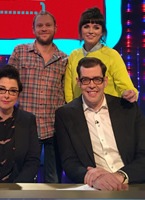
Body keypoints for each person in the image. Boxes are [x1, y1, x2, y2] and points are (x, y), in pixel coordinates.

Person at [55, 57, 145, 190]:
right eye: (86, 80)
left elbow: (143, 154)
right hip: (94, 187)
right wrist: (93, 178)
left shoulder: (128, 109)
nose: (92, 85)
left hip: (131, 183)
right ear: (78, 82)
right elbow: (70, 162)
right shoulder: (65, 114)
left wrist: (119, 176)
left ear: (105, 81)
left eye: (97, 79)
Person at [8, 11, 67, 183]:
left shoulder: (64, 59)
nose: (44, 28)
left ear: (55, 28)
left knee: (53, 182)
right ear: (33, 29)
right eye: (39, 25)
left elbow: (65, 93)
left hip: (53, 129)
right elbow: (8, 84)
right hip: (24, 128)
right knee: (21, 182)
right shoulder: (20, 51)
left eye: (48, 25)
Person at [64, 7, 137, 104]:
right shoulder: (74, 55)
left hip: (107, 113)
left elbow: (126, 87)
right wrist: (73, 111)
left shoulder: (112, 55)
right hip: (79, 114)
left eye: (96, 27)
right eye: (86, 26)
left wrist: (129, 93)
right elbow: (69, 91)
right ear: (80, 30)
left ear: (102, 32)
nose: (91, 31)